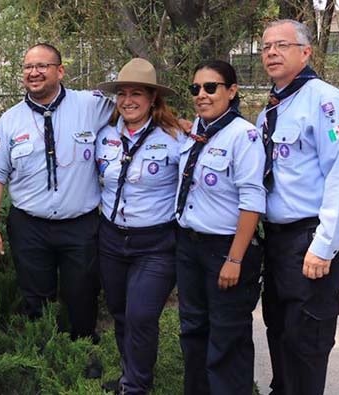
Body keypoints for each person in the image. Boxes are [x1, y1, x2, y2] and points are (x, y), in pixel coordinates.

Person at [0, 43, 113, 342]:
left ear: (60, 70)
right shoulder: (10, 120)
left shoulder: (91, 105)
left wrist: (175, 125)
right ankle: (41, 354)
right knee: (34, 299)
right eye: (28, 67)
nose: (34, 72)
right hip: (29, 226)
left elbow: (136, 108)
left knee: (83, 294)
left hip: (80, 225)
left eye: (42, 66)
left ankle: (83, 352)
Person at [257, 19, 339, 395]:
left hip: (308, 239)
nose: (271, 52)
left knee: (307, 337)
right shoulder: (272, 108)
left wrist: (324, 245)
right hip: (276, 241)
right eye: (265, 47)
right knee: (278, 329)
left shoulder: (326, 101)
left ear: (306, 52)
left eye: (282, 45)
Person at [175, 60, 265, 395]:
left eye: (210, 87)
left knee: (228, 337)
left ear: (232, 91)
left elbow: (252, 200)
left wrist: (235, 259)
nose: (201, 94)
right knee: (193, 331)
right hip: (189, 246)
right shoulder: (195, 130)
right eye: (195, 88)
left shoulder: (244, 136)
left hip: (225, 249)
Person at [94, 58, 183, 395]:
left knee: (142, 315)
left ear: (153, 100)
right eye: (123, 94)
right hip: (112, 239)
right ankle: (130, 375)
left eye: (137, 94)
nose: (128, 100)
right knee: (120, 312)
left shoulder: (175, 138)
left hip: (156, 244)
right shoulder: (104, 136)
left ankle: (136, 387)